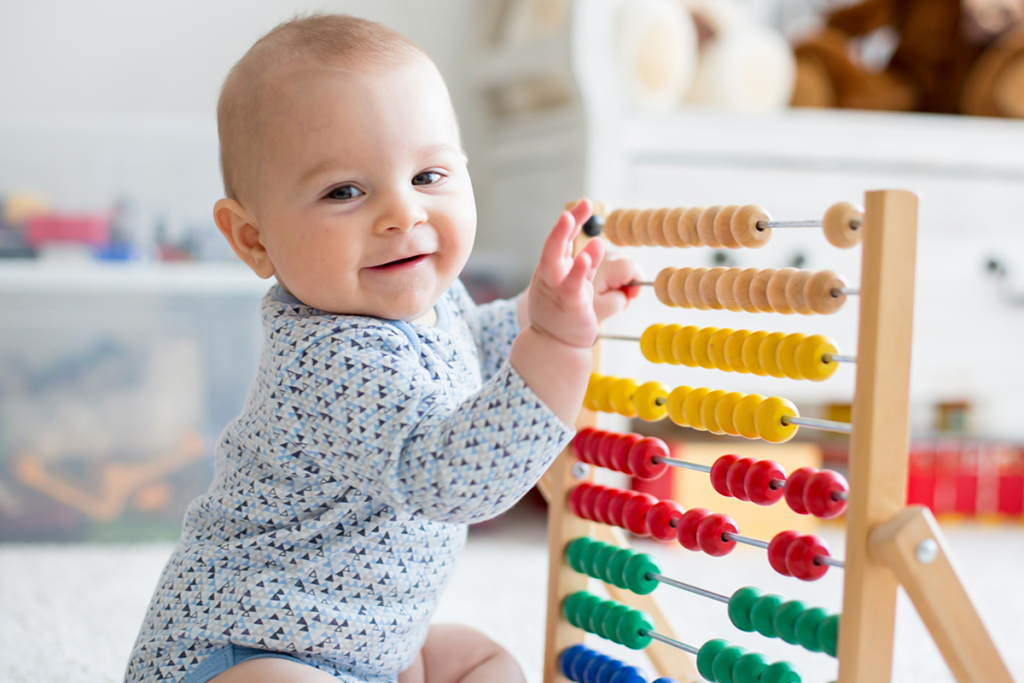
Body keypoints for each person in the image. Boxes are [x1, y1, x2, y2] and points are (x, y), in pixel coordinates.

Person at [125, 13, 642, 683]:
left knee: (484, 659)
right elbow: (456, 476)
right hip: (246, 649)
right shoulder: (327, 360)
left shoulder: (429, 303)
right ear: (252, 239)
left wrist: (536, 312)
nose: (404, 213)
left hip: (374, 648)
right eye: (345, 191)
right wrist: (558, 345)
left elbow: (471, 353)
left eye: (429, 176)